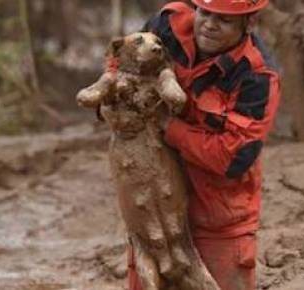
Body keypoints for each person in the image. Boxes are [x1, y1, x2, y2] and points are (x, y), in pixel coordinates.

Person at [109, 1, 280, 289]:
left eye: (224, 20)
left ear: (249, 24)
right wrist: (113, 97)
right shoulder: (167, 25)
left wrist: (169, 127)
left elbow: (233, 156)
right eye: (205, 12)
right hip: (150, 204)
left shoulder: (257, 76)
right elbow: (121, 61)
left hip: (217, 214)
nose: (209, 24)